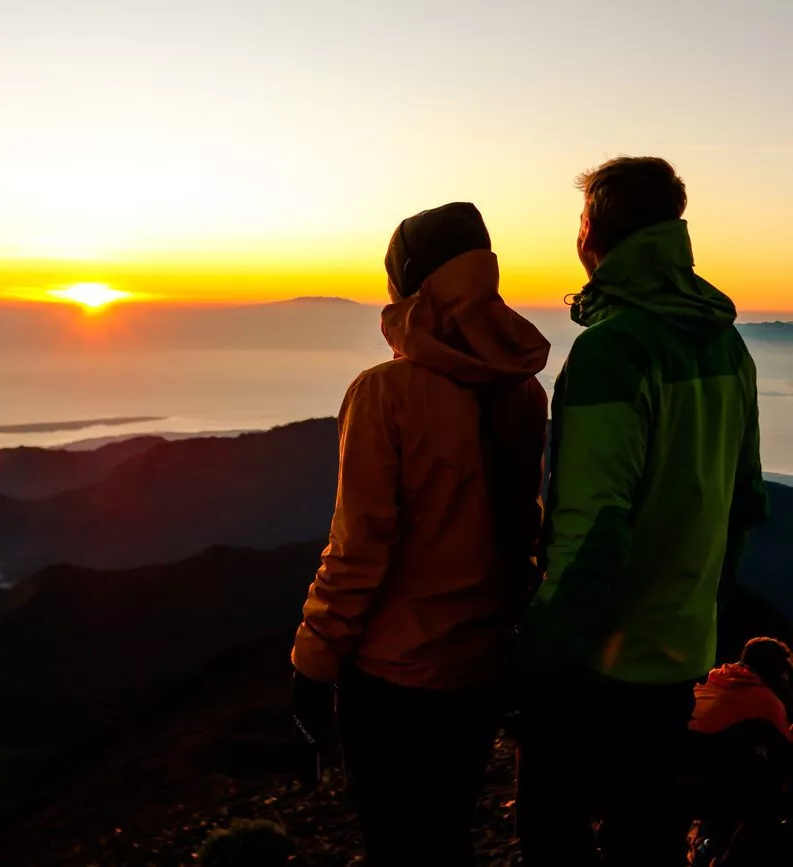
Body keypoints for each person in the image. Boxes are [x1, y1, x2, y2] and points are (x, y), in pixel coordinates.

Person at [518, 157, 770, 867]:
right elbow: (745, 504)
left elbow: (592, 529)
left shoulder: (611, 352)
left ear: (592, 231)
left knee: (555, 831)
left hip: (607, 660)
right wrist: (707, 613)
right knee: (652, 837)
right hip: (685, 650)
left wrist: (544, 653)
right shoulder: (730, 345)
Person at [291, 202, 550, 866]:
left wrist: (313, 663)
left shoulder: (385, 393)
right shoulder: (522, 391)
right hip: (482, 666)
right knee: (449, 836)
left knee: (398, 846)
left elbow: (358, 550)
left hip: (396, 678)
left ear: (410, 282)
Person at [687, 637, 793, 865]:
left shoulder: (715, 678)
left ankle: (710, 843)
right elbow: (786, 752)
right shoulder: (765, 699)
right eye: (785, 674)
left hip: (675, 765)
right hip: (703, 784)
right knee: (770, 791)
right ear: (776, 672)